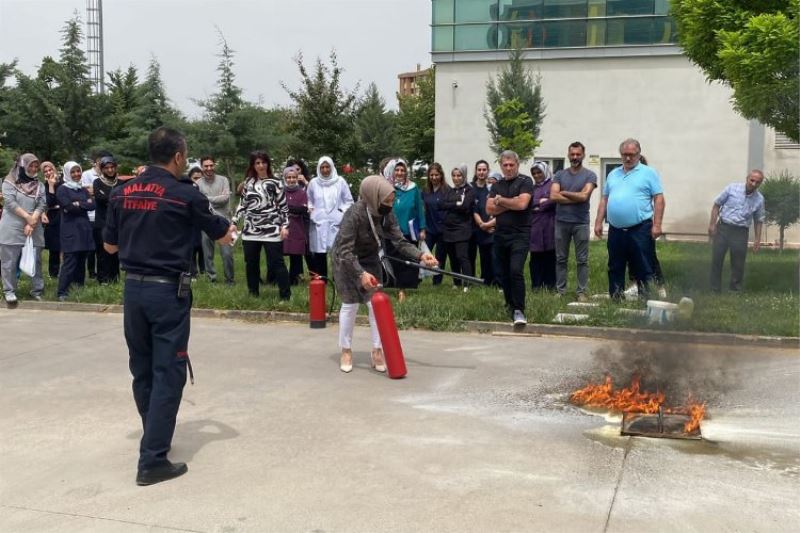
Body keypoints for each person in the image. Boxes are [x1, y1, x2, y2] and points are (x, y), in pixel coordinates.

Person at [103, 127, 235, 486]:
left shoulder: (121, 192)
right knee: (169, 372)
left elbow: (110, 248)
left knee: (142, 369)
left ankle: (154, 437)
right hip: (167, 294)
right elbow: (222, 233)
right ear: (178, 157)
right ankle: (152, 460)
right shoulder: (184, 194)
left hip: (132, 292)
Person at [331, 175, 438, 373]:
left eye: (392, 200)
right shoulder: (354, 214)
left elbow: (400, 241)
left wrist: (422, 255)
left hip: (370, 258)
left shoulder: (388, 214)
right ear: (373, 196)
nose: (390, 204)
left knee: (376, 303)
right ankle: (345, 349)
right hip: (346, 260)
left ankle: (377, 350)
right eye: (387, 200)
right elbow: (345, 251)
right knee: (350, 303)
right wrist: (360, 274)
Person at [594, 138, 665, 299]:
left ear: (639, 154)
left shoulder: (648, 173)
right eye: (625, 154)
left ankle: (645, 298)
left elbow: (659, 198)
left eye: (632, 155)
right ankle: (616, 297)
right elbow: (604, 199)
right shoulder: (613, 173)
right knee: (615, 264)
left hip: (640, 228)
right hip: (616, 229)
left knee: (643, 264)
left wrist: (657, 224)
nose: (628, 158)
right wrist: (598, 222)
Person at [233, 151, 291, 299]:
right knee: (251, 264)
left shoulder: (276, 182)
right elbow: (242, 205)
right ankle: (253, 294)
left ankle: (285, 296)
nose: (261, 165)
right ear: (253, 165)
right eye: (257, 163)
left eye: (263, 162)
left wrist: (285, 226)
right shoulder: (248, 183)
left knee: (277, 263)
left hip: (272, 229)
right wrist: (234, 222)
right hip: (250, 230)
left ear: (267, 164)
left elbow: (284, 207)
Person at [486, 150, 533, 325]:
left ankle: (519, 309)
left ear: (517, 164)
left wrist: (501, 201)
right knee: (503, 273)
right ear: (500, 166)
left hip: (520, 234)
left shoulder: (525, 181)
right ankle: (509, 304)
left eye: (511, 164)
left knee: (515, 270)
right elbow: (489, 209)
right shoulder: (497, 186)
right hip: (501, 234)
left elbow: (522, 204)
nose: (508, 168)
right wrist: (509, 201)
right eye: (505, 165)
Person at [549, 141, 597, 301]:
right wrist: (576, 196)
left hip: (581, 222)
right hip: (561, 222)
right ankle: (560, 291)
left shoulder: (590, 175)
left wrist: (564, 192)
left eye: (578, 154)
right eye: (572, 154)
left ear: (583, 155)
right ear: (568, 155)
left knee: (582, 260)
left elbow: (585, 196)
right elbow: (553, 196)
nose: (575, 157)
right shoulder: (560, 174)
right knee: (560, 259)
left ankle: (581, 292)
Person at [708, 170, 765, 292]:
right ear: (747, 178)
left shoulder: (759, 199)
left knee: (738, 263)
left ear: (760, 183)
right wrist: (712, 224)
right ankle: (714, 289)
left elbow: (758, 220)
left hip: (740, 232)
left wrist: (757, 240)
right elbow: (716, 205)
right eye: (752, 180)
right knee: (717, 259)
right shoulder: (732, 188)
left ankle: (735, 290)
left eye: (757, 182)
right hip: (723, 227)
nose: (754, 184)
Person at [0, 153, 46, 307]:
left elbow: (41, 204)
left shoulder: (40, 185)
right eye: (30, 166)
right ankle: (9, 291)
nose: (33, 169)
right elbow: (10, 204)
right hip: (12, 226)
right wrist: (28, 218)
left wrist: (32, 222)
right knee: (9, 262)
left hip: (34, 227)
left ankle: (37, 290)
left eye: (35, 166)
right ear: (21, 166)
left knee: (36, 259)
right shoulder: (8, 182)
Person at [307, 156, 353, 279]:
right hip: (318, 222)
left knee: (337, 252)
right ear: (319, 168)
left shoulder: (340, 181)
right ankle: (322, 280)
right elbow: (309, 200)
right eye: (322, 167)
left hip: (336, 223)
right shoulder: (313, 183)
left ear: (332, 167)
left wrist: (341, 212)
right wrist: (311, 210)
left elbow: (348, 201)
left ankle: (338, 279)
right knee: (319, 253)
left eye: (327, 167)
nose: (325, 170)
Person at [56, 162, 95, 300]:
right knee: (70, 262)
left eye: (78, 171)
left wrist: (78, 204)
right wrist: (84, 204)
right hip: (70, 230)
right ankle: (62, 292)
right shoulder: (62, 189)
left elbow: (93, 205)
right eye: (73, 172)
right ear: (67, 173)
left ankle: (78, 288)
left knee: (81, 261)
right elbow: (68, 207)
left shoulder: (83, 189)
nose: (76, 174)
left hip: (84, 229)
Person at [388, 159, 426, 299]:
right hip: (391, 230)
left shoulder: (413, 187)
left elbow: (419, 209)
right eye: (397, 170)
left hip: (409, 229)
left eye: (402, 170)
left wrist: (422, 228)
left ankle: (403, 288)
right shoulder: (388, 186)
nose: (399, 173)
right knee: (393, 259)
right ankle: (393, 285)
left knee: (408, 259)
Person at [197, 155, 234, 284]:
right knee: (207, 254)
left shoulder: (224, 180)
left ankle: (230, 280)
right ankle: (211, 279)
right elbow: (200, 204)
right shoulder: (198, 184)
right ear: (202, 167)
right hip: (206, 222)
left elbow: (225, 199)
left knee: (227, 253)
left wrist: (207, 198)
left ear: (214, 165)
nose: (209, 168)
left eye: (211, 165)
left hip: (225, 222)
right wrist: (213, 199)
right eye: (206, 166)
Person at [441, 164, 476, 290]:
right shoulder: (450, 190)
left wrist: (453, 204)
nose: (456, 178)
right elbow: (442, 204)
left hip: (462, 229)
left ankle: (468, 283)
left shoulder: (469, 190)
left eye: (459, 175)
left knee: (462, 256)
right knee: (453, 258)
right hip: (448, 229)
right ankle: (456, 282)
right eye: (454, 176)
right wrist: (456, 203)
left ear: (464, 176)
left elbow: (465, 206)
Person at [81, 150, 110, 279]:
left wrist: (96, 192)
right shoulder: (87, 174)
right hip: (89, 215)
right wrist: (97, 192)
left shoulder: (108, 175)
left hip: (103, 215)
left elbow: (102, 193)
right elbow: (85, 192)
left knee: (101, 246)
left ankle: (102, 272)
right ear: (96, 162)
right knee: (91, 247)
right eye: (100, 161)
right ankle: (91, 272)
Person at [92, 156, 120, 284]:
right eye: (106, 168)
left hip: (116, 222)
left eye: (112, 167)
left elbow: (122, 200)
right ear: (102, 169)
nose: (110, 170)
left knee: (115, 251)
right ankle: (102, 278)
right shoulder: (97, 182)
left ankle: (114, 278)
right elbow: (99, 198)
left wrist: (109, 198)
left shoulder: (120, 183)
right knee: (102, 252)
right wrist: (114, 199)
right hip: (102, 222)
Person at [529, 161, 556, 291]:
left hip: (550, 225)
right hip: (535, 226)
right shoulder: (532, 188)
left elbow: (554, 200)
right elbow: (528, 203)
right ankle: (536, 285)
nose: (537, 175)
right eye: (534, 173)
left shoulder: (552, 185)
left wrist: (541, 205)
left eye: (539, 172)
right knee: (536, 257)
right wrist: (539, 202)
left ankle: (550, 285)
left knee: (550, 256)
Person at [470, 160, 498, 287]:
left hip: (489, 228)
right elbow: (472, 209)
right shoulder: (470, 188)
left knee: (490, 256)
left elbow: (496, 208)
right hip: (473, 228)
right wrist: (481, 224)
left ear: (488, 171)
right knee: (473, 256)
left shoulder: (491, 188)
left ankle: (491, 281)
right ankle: (471, 281)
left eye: (484, 170)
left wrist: (489, 225)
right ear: (476, 171)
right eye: (479, 170)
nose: (481, 172)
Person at [421, 162, 449, 285]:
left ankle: (437, 281)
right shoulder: (425, 191)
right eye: (431, 175)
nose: (434, 177)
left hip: (443, 230)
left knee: (440, 256)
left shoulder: (447, 191)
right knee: (423, 255)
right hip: (429, 229)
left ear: (441, 175)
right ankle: (418, 279)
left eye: (436, 175)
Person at [283, 166, 309, 285]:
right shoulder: (280, 191)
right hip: (283, 226)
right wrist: (294, 209)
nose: (291, 180)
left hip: (297, 227)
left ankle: (294, 279)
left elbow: (303, 210)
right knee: (278, 254)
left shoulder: (302, 192)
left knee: (296, 255)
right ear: (285, 178)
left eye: (293, 177)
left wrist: (288, 208)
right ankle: (276, 278)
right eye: (289, 177)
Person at [42, 161, 63, 278]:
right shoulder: (43, 186)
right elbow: (50, 202)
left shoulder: (62, 183)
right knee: (54, 247)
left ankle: (66, 271)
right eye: (45, 171)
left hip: (63, 215)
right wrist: (50, 185)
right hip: (52, 215)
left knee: (65, 245)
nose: (48, 172)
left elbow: (61, 200)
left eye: (50, 170)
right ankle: (53, 274)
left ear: (54, 169)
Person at [187, 167, 205, 278]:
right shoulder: (186, 189)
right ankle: (193, 273)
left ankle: (204, 271)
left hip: (202, 222)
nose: (197, 180)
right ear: (190, 178)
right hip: (190, 223)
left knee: (203, 248)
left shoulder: (203, 188)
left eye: (199, 178)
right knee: (192, 248)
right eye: (195, 178)